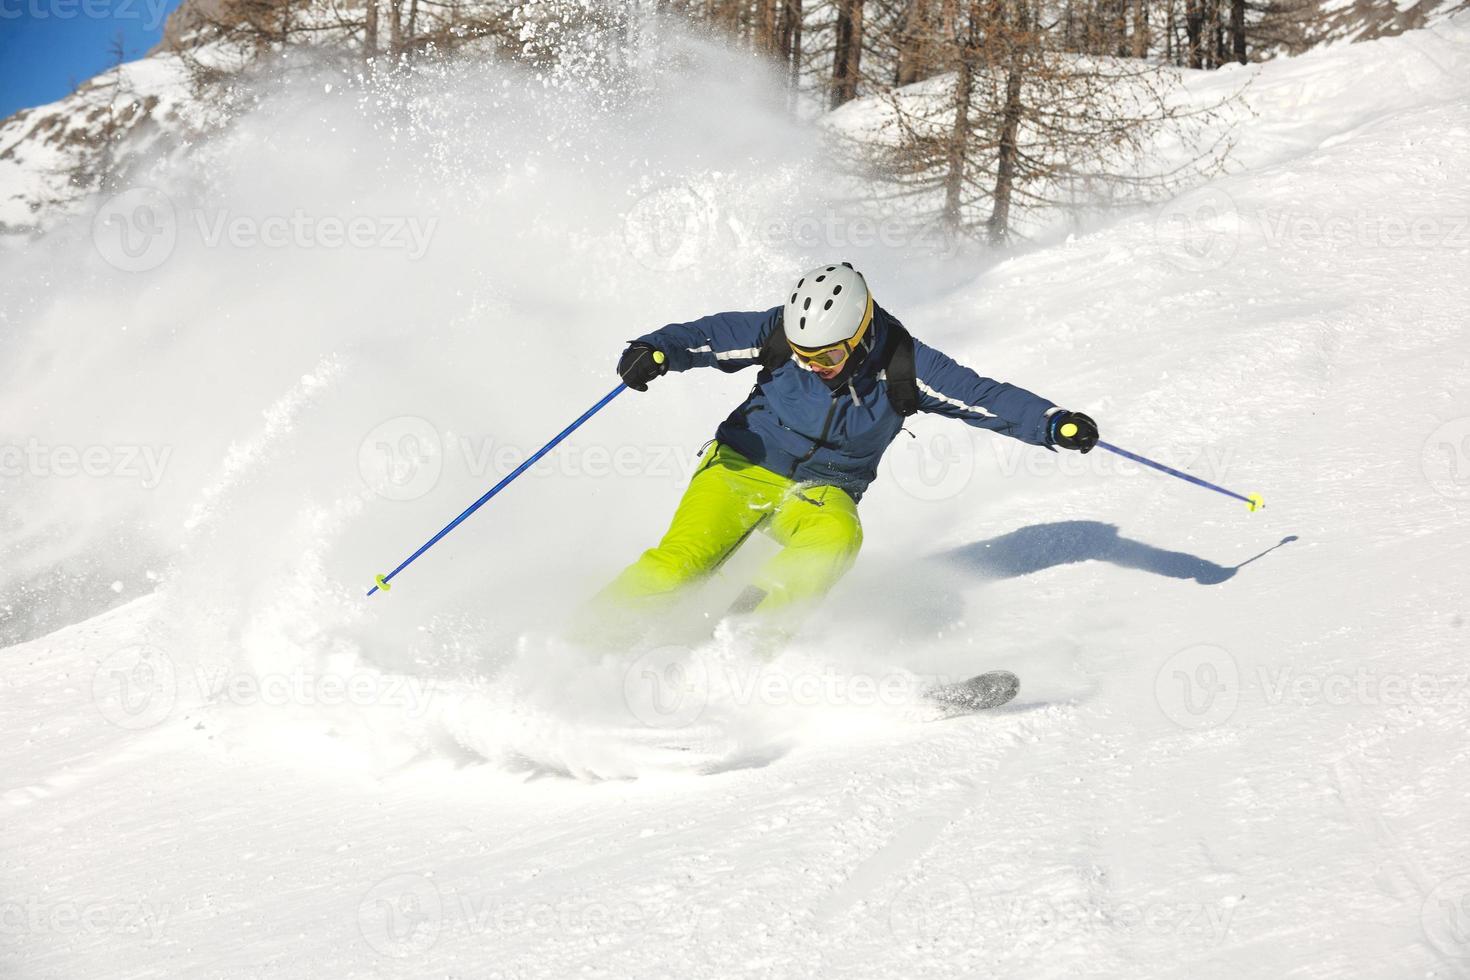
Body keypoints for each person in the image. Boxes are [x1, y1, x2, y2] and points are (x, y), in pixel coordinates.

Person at [590, 262, 1098, 644]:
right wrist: (656, 351)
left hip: (823, 490)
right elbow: (707, 337)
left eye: (828, 356)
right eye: (803, 354)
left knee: (837, 536)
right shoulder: (781, 335)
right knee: (679, 565)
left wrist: (1051, 423)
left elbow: (981, 397)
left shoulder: (904, 365)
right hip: (742, 465)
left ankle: (745, 644)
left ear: (859, 333)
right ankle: (582, 643)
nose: (813, 366)